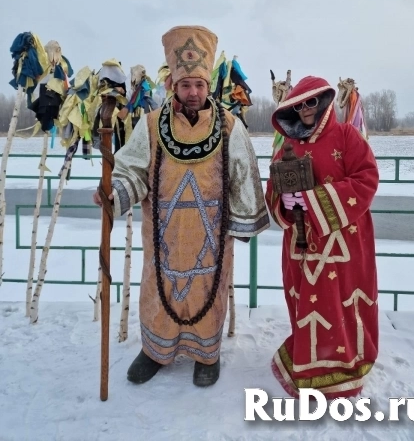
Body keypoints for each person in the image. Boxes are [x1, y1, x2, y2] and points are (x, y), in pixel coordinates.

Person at [93, 25, 269, 387]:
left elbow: (242, 174)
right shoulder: (151, 125)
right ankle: (155, 352)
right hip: (163, 236)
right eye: (185, 85)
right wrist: (115, 191)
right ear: (174, 85)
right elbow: (132, 169)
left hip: (211, 238)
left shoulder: (230, 126)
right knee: (158, 290)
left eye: (199, 85)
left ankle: (207, 355)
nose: (192, 92)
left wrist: (241, 219)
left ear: (208, 87)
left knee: (209, 292)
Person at [265, 75, 379, 399]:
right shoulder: (286, 146)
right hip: (302, 249)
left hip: (344, 245)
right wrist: (284, 204)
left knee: (343, 303)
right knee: (307, 306)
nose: (305, 110)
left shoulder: (346, 137)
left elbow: (367, 179)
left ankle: (346, 362)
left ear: (325, 101)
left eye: (311, 102)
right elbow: (272, 189)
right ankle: (308, 360)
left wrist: (314, 201)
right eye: (299, 104)